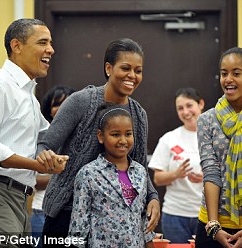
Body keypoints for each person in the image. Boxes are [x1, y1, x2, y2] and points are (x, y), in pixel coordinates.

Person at [37, 38, 160, 244]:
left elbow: (138, 167)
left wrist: (152, 196)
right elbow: (45, 144)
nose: (132, 76)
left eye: (138, 71)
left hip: (112, 221)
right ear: (108, 68)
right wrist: (46, 155)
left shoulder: (138, 114)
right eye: (126, 68)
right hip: (66, 214)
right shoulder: (81, 101)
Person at [0, 18, 67, 242]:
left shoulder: (27, 96)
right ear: (16, 46)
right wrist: (38, 165)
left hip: (18, 200)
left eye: (50, 43)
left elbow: (48, 136)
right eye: (42, 42)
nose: (51, 49)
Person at [195, 47, 242, 248]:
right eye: (223, 73)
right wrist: (214, 226)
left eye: (236, 73)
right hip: (213, 223)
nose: (228, 79)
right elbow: (210, 172)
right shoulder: (206, 120)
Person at [68, 104, 155, 247]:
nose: (123, 140)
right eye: (115, 134)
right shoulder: (88, 174)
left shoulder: (140, 171)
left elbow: (144, 220)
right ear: (101, 136)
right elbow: (78, 225)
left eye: (128, 134)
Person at [148, 87, 204, 243]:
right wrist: (176, 174)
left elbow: (228, 176)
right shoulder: (169, 139)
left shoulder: (214, 137)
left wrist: (208, 177)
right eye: (180, 108)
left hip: (207, 214)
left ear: (201, 104)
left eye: (189, 105)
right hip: (174, 214)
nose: (186, 112)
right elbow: (158, 179)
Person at [31, 85, 76, 247]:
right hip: (41, 212)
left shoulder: (81, 138)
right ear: (49, 110)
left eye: (67, 104)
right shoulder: (43, 138)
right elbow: (33, 180)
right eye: (56, 104)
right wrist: (63, 177)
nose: (61, 108)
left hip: (72, 215)